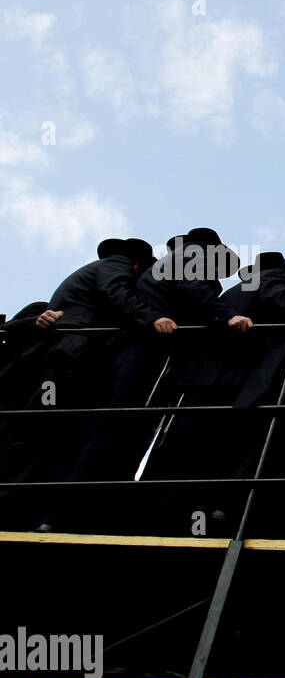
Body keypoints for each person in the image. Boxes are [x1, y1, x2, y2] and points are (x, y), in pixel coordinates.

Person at [37, 228, 250, 532]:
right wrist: (226, 315)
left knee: (110, 430)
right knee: (126, 429)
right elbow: (191, 287)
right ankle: (73, 517)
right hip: (150, 352)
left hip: (130, 350)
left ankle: (60, 514)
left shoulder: (165, 263)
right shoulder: (194, 255)